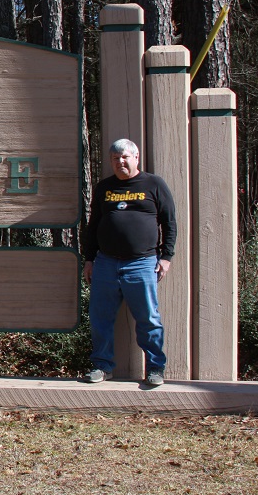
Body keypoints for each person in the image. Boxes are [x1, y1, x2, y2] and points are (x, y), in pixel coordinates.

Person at [83, 138, 176, 387]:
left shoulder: (154, 184)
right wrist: (89, 259)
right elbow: (93, 226)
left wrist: (166, 257)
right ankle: (102, 366)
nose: (120, 162)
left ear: (136, 158)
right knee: (100, 317)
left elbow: (169, 223)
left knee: (148, 318)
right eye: (115, 158)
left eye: (125, 157)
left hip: (142, 263)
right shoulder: (105, 188)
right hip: (105, 263)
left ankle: (155, 368)